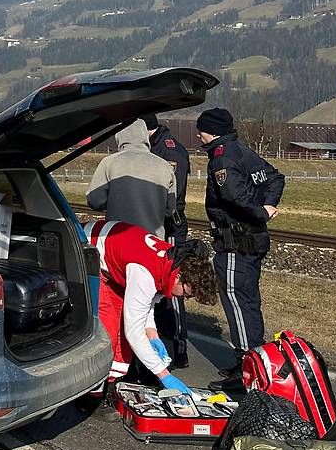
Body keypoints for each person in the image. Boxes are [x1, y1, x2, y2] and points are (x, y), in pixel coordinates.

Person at [82, 219, 218, 415]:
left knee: (123, 338)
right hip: (90, 251)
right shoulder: (146, 271)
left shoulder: (174, 264)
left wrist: (153, 335)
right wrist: (164, 375)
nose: (185, 299)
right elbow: (134, 332)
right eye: (187, 294)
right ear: (180, 277)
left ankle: (109, 389)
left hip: (116, 261)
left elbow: (148, 303)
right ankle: (90, 399)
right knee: (109, 333)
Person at [196, 108, 285, 391]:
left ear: (212, 130)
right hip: (253, 240)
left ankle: (248, 368)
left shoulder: (222, 156)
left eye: (201, 129)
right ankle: (252, 358)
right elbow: (275, 177)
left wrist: (260, 212)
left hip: (236, 241)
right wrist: (268, 207)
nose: (198, 135)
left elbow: (233, 196)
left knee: (236, 300)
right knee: (249, 299)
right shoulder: (243, 151)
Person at [145, 113, 193, 369]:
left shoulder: (168, 151)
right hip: (158, 225)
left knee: (172, 287)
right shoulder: (157, 147)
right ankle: (161, 342)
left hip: (170, 225)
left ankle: (177, 348)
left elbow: (173, 194)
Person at [86, 119, 177, 237]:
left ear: (119, 135)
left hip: (117, 239)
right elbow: (170, 210)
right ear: (145, 135)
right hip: (152, 242)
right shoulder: (165, 166)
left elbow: (95, 201)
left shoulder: (109, 163)